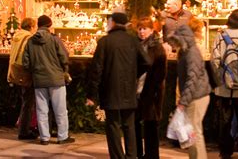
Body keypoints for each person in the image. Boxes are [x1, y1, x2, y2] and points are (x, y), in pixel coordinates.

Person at [86, 11, 150, 159]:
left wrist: (91, 94)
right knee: (129, 125)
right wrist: (134, 75)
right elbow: (146, 62)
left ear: (113, 23)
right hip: (129, 89)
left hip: (109, 89)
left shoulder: (104, 42)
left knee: (113, 125)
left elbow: (96, 69)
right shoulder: (133, 41)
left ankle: (117, 156)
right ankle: (131, 155)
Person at [22, 14, 73, 145]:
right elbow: (64, 57)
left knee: (41, 110)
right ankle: (62, 136)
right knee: (60, 109)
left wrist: (35, 70)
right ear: (49, 25)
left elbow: (25, 62)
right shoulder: (54, 39)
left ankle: (44, 137)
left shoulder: (30, 41)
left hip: (39, 80)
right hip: (56, 79)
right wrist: (64, 70)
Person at [211, 9, 238, 159]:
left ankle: (225, 151)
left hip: (224, 89)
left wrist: (220, 79)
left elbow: (214, 61)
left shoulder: (221, 36)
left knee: (225, 121)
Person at [170, 24, 211, 159]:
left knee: (194, 134)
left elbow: (192, 79)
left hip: (196, 97)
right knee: (193, 133)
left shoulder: (191, 53)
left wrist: (183, 101)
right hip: (197, 95)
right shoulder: (189, 51)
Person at [135, 16, 167, 159]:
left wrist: (152, 91)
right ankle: (137, 153)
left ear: (151, 30)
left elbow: (160, 74)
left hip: (151, 92)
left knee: (151, 125)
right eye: (140, 29)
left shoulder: (157, 47)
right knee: (135, 124)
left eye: (145, 29)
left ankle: (151, 155)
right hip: (136, 90)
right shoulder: (136, 45)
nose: (142, 32)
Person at [8, 17, 37, 140]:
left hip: (15, 73)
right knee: (28, 102)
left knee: (25, 101)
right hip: (25, 73)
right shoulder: (29, 38)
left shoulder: (16, 36)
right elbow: (28, 57)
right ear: (31, 27)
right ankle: (24, 130)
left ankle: (25, 127)